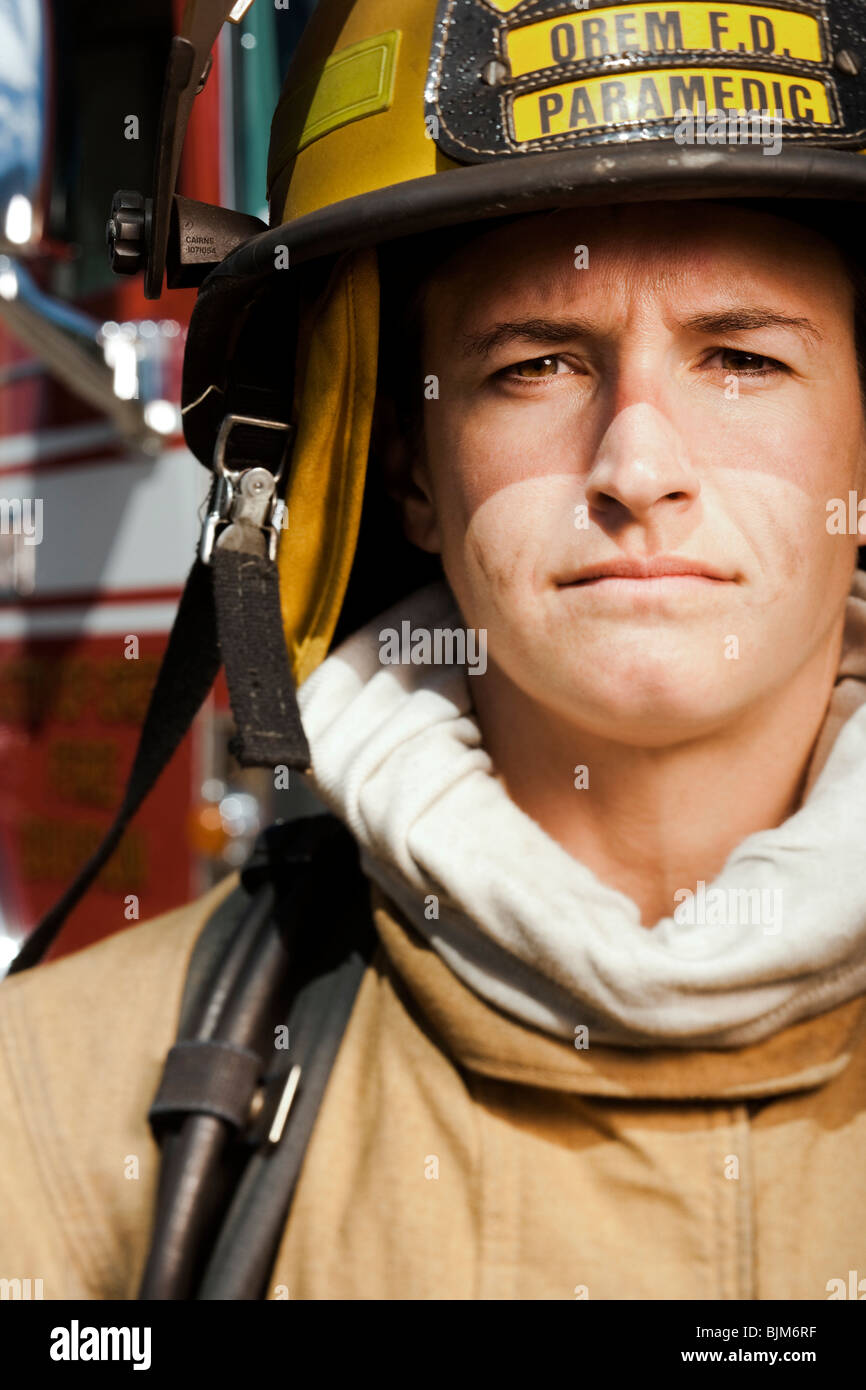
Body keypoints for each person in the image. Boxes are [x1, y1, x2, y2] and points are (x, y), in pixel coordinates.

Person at [2, 0, 866, 1301]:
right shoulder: (63, 1105)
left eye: (739, 357)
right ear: (400, 462)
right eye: (534, 365)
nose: (636, 465)